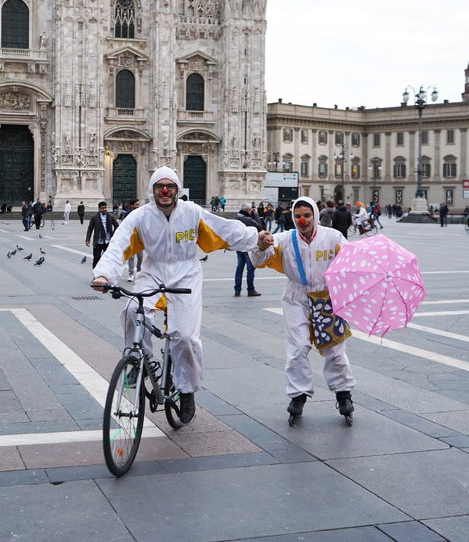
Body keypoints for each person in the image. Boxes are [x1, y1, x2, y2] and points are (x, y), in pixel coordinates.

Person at [91, 167, 269, 424]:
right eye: (159, 186)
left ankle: (186, 390)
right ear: (152, 190)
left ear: (177, 189)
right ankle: (137, 360)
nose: (165, 191)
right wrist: (104, 275)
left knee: (185, 337)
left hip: (186, 274)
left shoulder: (192, 212)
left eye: (170, 186)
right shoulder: (140, 216)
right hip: (153, 270)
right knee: (132, 310)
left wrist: (256, 238)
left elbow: (225, 229)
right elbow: (118, 245)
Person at [250, 196, 356, 421]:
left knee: (335, 349)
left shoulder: (333, 237)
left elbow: (350, 261)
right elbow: (259, 260)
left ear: (315, 216)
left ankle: (343, 392)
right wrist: (260, 245)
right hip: (296, 296)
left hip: (327, 296)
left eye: (307, 215)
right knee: (297, 347)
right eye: (298, 216)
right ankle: (298, 394)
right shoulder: (284, 239)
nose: (302, 220)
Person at [234, 203, 262, 297]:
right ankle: (251, 289)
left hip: (239, 246)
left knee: (239, 268)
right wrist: (256, 214)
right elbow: (259, 226)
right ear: (248, 210)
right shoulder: (247, 219)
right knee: (250, 268)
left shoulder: (237, 217)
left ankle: (237, 289)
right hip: (248, 246)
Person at [85, 201, 118, 268]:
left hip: (108, 241)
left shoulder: (110, 216)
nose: (104, 209)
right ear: (99, 209)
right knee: (96, 259)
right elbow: (90, 228)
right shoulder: (94, 217)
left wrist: (114, 234)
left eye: (105, 207)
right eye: (102, 208)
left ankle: (107, 274)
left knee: (108, 259)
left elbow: (117, 225)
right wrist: (87, 239)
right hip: (98, 242)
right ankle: (95, 275)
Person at [123, 198, 144, 282]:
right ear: (132, 205)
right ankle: (131, 274)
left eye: (139, 204)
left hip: (139, 238)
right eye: (136, 205)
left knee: (140, 257)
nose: (138, 206)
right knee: (131, 257)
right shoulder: (127, 214)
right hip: (131, 238)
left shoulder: (141, 213)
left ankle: (139, 272)